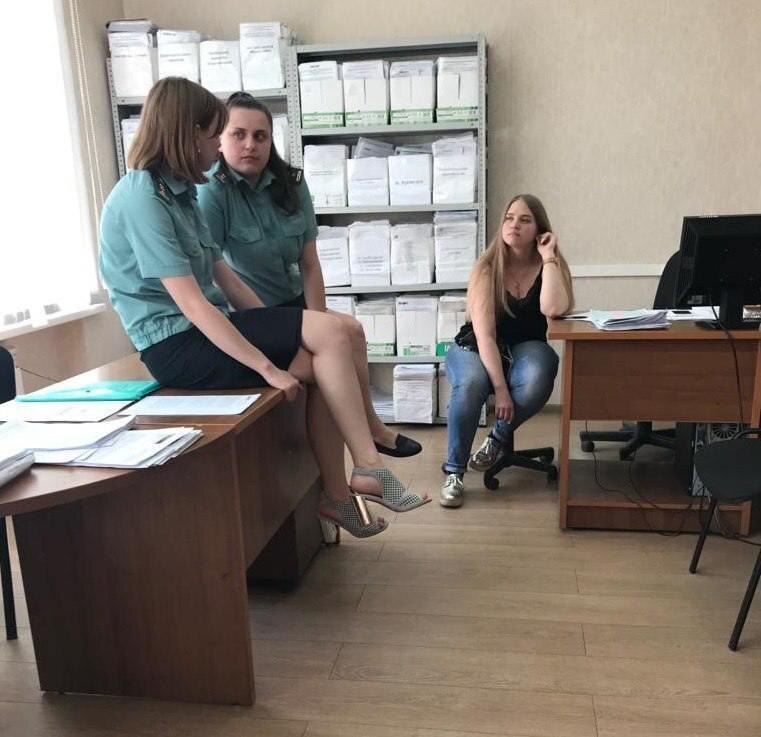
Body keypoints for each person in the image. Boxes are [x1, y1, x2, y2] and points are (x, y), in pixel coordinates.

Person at [99, 77, 429, 539]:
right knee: (333, 337)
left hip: (210, 329)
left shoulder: (179, 192)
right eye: (215, 134)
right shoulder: (143, 198)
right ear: (187, 133)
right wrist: (266, 366)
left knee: (329, 355)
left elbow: (222, 274)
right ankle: (367, 467)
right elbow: (192, 304)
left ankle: (338, 494)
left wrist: (273, 325)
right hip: (177, 346)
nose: (217, 145)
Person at [197, 92, 421, 459]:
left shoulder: (290, 182)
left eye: (260, 136)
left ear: (271, 141)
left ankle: (371, 427)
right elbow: (217, 275)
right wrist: (288, 327)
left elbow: (310, 264)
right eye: (239, 134)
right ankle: (368, 446)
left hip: (294, 303)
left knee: (350, 330)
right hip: (250, 313)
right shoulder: (212, 191)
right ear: (220, 139)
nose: (250, 144)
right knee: (333, 347)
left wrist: (317, 321)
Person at [440, 194, 574, 507]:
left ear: (539, 230)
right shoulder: (487, 268)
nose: (514, 225)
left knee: (541, 371)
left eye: (525, 220)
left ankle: (497, 438)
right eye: (509, 218)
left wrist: (549, 257)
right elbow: (485, 336)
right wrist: (500, 390)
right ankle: (455, 472)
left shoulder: (549, 265)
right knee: (471, 384)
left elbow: (554, 308)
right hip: (476, 345)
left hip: (526, 346)